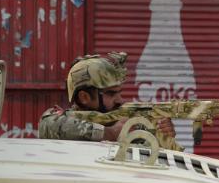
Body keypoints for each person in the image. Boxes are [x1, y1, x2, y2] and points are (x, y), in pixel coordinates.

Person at [38, 52, 175, 142]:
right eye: (111, 93)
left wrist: (163, 135)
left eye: (119, 92)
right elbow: (49, 125)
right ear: (84, 97)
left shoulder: (128, 124)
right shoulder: (58, 121)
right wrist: (111, 133)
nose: (120, 100)